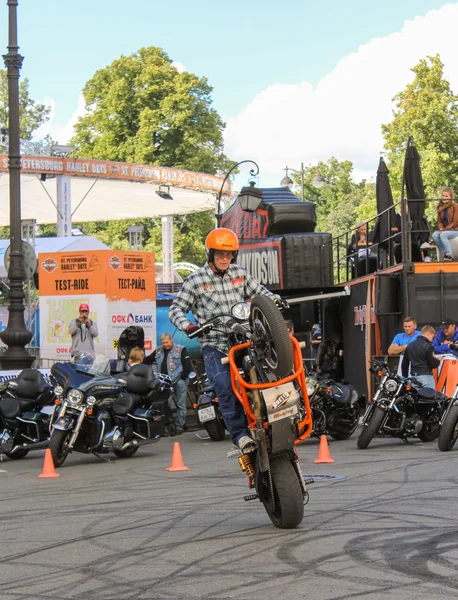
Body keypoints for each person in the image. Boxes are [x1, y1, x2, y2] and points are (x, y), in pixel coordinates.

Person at [169, 227, 285, 450]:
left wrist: (276, 301)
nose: (225, 258)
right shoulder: (195, 280)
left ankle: (279, 419)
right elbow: (175, 310)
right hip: (216, 344)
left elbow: (262, 294)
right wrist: (190, 326)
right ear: (210, 254)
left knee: (271, 374)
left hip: (246, 339)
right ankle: (240, 436)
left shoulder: (240, 274)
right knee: (223, 384)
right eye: (220, 254)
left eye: (229, 254)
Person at [143, 333, 192, 434]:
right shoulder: (158, 350)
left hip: (179, 380)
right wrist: (137, 362)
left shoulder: (181, 349)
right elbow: (148, 360)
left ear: (171, 340)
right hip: (165, 383)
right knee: (165, 404)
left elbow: (187, 365)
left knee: (181, 405)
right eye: (163, 343)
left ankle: (179, 426)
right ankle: (170, 424)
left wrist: (182, 378)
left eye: (167, 342)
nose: (165, 344)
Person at [401, 325, 440, 389]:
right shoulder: (428, 346)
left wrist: (405, 378)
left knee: (416, 398)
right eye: (432, 337)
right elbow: (433, 364)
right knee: (428, 398)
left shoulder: (410, 345)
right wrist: (438, 360)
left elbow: (404, 364)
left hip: (414, 378)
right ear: (429, 334)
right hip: (426, 377)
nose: (432, 340)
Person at [432, 187, 458, 262]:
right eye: (443, 195)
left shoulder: (455, 206)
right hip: (446, 229)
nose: (444, 197)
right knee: (434, 235)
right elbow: (439, 222)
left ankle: (449, 255)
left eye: (446, 196)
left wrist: (445, 230)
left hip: (455, 229)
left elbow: (456, 221)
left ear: (451, 197)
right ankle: (444, 253)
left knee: (443, 235)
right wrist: (441, 229)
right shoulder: (440, 207)